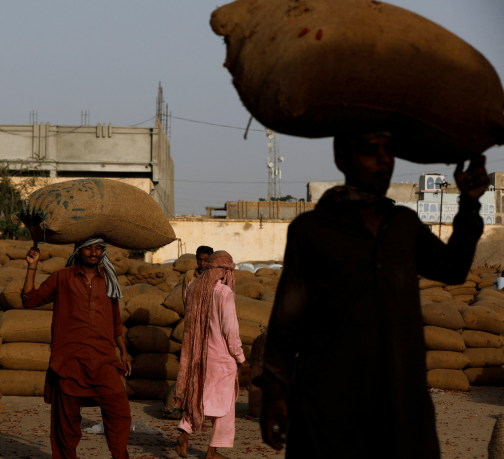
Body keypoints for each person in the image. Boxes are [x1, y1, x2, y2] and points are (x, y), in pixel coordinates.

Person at [255, 131, 489, 458]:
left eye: (389, 150)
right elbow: (285, 321)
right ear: (342, 160)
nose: (384, 160)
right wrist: (274, 392)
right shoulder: (311, 231)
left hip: (402, 409)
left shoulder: (404, 225)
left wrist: (470, 201)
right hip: (329, 410)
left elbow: (452, 269)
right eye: (369, 150)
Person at [21, 238, 132, 459]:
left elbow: (115, 322)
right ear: (79, 251)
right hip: (69, 360)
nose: (94, 252)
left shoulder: (109, 280)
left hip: (104, 359)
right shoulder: (62, 277)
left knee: (120, 413)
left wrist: (124, 351)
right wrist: (32, 265)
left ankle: (120, 456)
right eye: (89, 248)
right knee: (67, 421)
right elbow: (29, 300)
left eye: (98, 248)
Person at [175, 250, 247, 459]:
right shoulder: (223, 292)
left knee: (200, 395)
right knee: (225, 405)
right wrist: (241, 358)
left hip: (198, 354)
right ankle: (213, 451)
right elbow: (230, 330)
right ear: (224, 271)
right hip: (221, 357)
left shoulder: (193, 287)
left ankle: (184, 431)